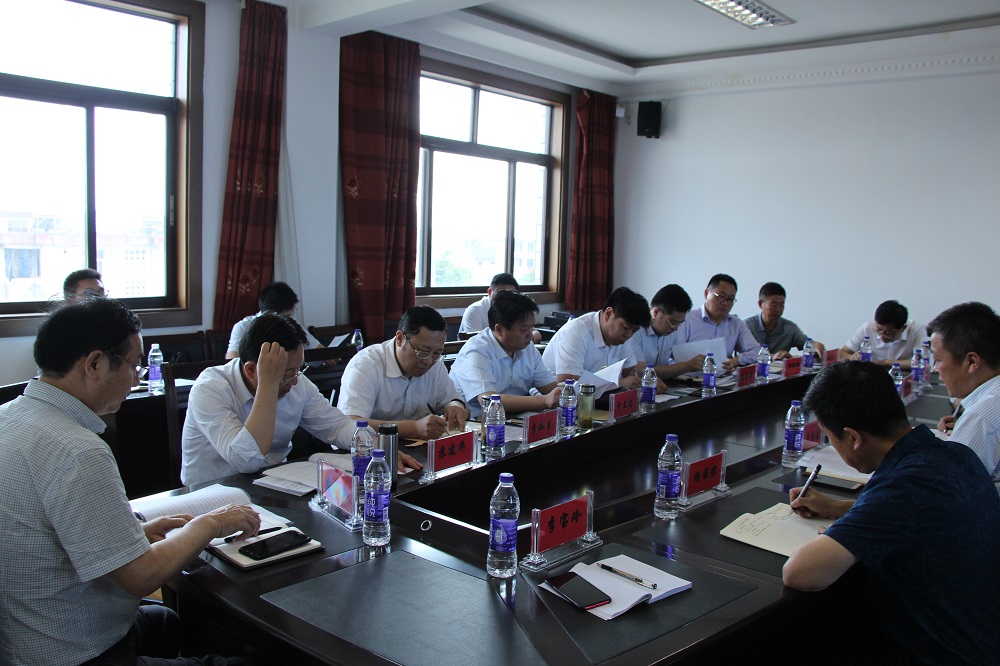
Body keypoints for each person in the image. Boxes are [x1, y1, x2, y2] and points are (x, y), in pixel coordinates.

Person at [0, 298, 260, 665]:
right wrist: (211, 523)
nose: (137, 378)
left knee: (166, 621)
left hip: (23, 635)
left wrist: (133, 534)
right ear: (94, 364)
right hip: (74, 651)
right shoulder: (78, 450)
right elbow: (142, 577)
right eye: (134, 365)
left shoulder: (9, 416)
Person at [783, 361, 1000, 665]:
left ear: (853, 438)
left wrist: (842, 533)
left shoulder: (904, 485)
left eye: (830, 437)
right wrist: (837, 508)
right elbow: (917, 515)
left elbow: (800, 573)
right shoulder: (952, 453)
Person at [183, 313, 419, 486]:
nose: (295, 381)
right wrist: (268, 386)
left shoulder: (298, 383)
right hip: (213, 494)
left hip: (274, 485)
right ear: (251, 369)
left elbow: (337, 426)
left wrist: (374, 445)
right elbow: (245, 461)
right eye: (287, 374)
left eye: (299, 369)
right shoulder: (210, 388)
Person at [337, 305, 470, 441]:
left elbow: (454, 400)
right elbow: (350, 423)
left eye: (437, 353)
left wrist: (455, 406)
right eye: (423, 352)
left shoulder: (436, 364)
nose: (429, 361)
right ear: (400, 339)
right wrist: (414, 428)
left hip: (416, 448)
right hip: (370, 448)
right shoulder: (366, 364)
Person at [450, 290, 561, 418]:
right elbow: (489, 401)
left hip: (515, 418)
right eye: (524, 329)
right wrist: (544, 400)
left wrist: (564, 391)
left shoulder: (527, 347)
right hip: (477, 422)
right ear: (499, 330)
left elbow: (549, 387)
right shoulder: (477, 351)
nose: (530, 335)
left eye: (531, 328)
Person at [927, 301, 1000, 493]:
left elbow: (945, 490)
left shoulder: (981, 416)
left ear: (971, 361)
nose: (935, 369)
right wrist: (963, 426)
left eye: (938, 359)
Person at [541, 286, 649, 390]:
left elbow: (629, 370)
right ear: (608, 314)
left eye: (634, 331)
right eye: (625, 327)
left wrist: (636, 382)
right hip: (556, 399)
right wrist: (618, 384)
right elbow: (568, 385)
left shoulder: (621, 337)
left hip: (597, 399)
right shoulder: (575, 334)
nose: (629, 335)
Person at [675, 274, 761, 371]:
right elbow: (673, 355)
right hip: (689, 376)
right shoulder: (686, 320)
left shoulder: (736, 324)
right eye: (721, 296)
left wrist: (736, 361)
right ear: (706, 293)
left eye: (730, 299)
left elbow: (758, 352)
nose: (725, 303)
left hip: (724, 376)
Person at [625, 284, 703, 381]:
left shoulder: (672, 333)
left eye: (680, 323)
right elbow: (640, 372)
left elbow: (683, 360)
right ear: (656, 312)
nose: (676, 328)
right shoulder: (635, 330)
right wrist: (687, 366)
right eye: (673, 322)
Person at [225, 281, 322, 359]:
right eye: (286, 315)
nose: (289, 319)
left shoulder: (292, 324)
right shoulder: (243, 327)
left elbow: (320, 350)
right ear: (270, 314)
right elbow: (232, 359)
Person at [743, 282, 826, 361]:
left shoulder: (790, 328)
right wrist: (771, 356)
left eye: (781, 305)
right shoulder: (746, 326)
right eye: (774, 305)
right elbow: (745, 355)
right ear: (760, 304)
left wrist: (816, 345)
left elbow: (807, 343)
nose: (778, 309)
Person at [839, 299, 925, 368]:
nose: (881, 336)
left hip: (904, 376)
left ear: (903, 328)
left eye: (888, 332)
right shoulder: (867, 328)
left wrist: (885, 363)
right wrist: (851, 357)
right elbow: (842, 352)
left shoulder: (916, 330)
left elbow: (922, 362)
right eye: (879, 329)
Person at [459, 272, 542, 343]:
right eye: (501, 292)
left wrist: (525, 340)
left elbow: (536, 334)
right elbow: (476, 342)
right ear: (489, 292)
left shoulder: (512, 309)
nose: (506, 297)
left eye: (511, 293)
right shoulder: (474, 311)